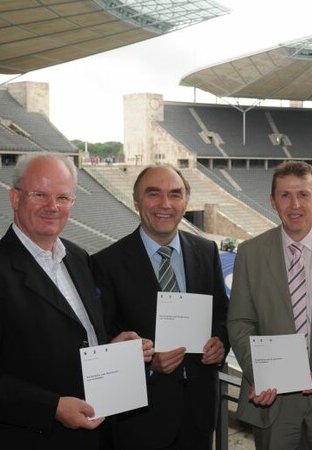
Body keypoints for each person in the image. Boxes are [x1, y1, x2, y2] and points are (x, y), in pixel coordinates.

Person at [0, 152, 153, 450]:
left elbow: (75, 339)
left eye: (63, 198)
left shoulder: (78, 259)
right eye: (40, 194)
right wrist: (51, 407)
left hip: (95, 437)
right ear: (15, 198)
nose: (52, 207)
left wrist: (111, 349)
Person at [92, 165, 229, 450]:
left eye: (175, 194)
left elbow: (222, 316)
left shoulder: (206, 251)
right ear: (136, 201)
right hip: (141, 420)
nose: (165, 204)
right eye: (153, 194)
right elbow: (101, 341)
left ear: (185, 203)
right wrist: (147, 363)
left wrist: (221, 343)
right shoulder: (106, 263)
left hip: (199, 415)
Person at [228, 161, 312, 450]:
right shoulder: (250, 253)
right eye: (285, 195)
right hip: (272, 401)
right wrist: (260, 372)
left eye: (303, 194)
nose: (295, 204)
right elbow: (239, 322)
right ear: (273, 201)